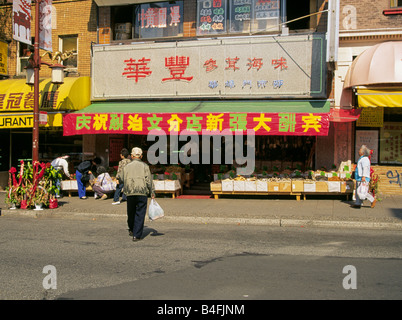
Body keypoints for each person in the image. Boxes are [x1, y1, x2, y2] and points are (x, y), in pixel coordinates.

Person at [121, 147, 155, 241]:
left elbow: (121, 178)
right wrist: (152, 191)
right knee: (140, 213)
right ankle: (137, 235)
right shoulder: (145, 166)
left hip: (130, 192)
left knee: (131, 212)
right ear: (141, 156)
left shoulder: (126, 166)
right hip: (142, 192)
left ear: (131, 156)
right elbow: (149, 180)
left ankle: (131, 229)